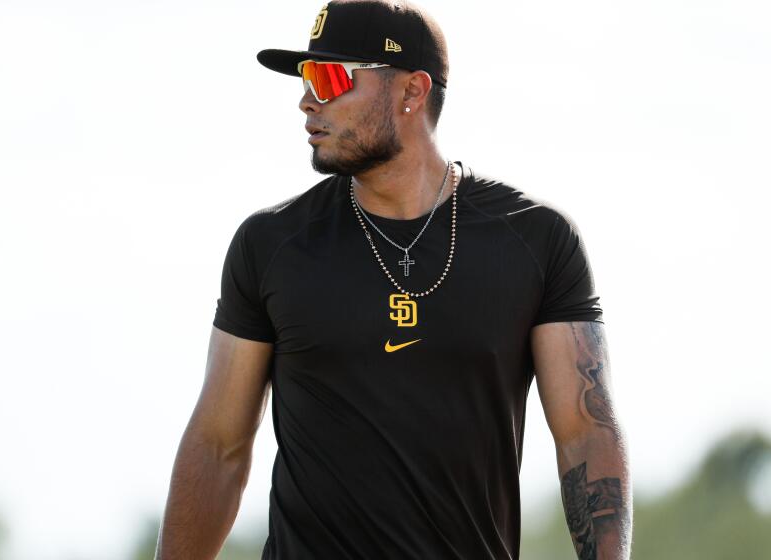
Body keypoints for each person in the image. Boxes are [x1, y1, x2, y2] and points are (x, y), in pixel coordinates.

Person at [155, 1, 632, 558]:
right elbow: (218, 447)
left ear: (412, 91)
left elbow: (585, 433)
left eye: (329, 77)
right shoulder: (271, 245)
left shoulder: (535, 240)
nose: (307, 100)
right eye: (305, 79)